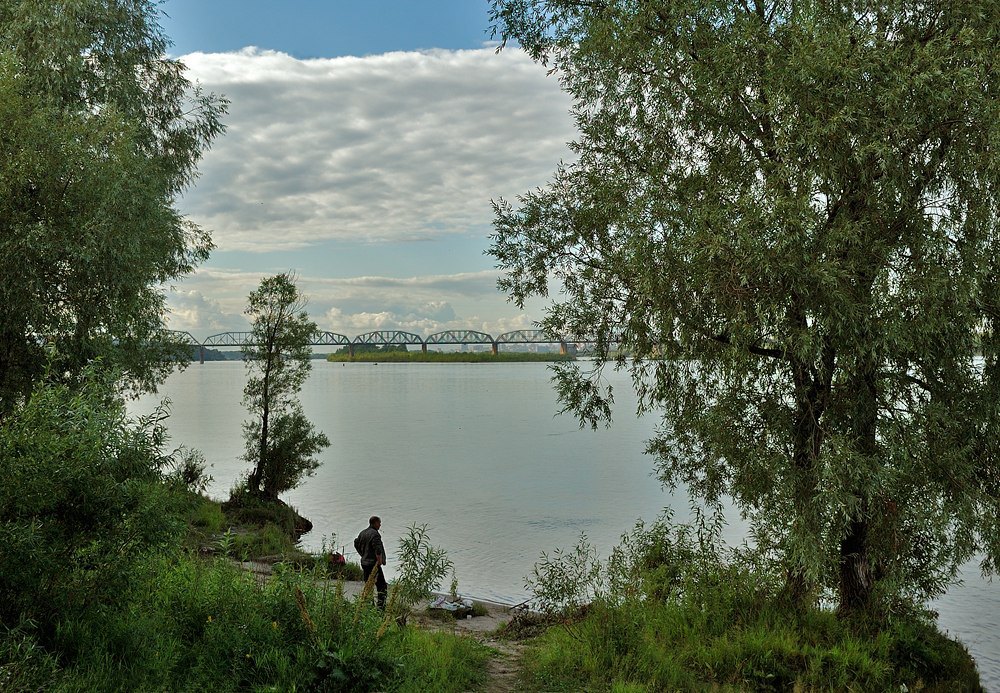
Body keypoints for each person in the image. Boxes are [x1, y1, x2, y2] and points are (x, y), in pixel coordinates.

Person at [354, 515, 387, 610]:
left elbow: (356, 542)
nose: (380, 525)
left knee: (368, 585)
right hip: (373, 564)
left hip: (364, 563)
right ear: (375, 523)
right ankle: (381, 608)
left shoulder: (363, 533)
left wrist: (362, 554)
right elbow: (377, 549)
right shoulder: (375, 534)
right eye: (379, 523)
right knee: (382, 586)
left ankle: (368, 606)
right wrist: (379, 561)